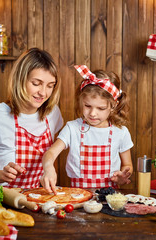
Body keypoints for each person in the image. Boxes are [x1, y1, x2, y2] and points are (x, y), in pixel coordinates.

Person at [0, 48, 64, 188]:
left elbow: (50, 155)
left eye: (50, 86)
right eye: (36, 83)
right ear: (20, 79)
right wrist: (1, 175)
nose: (43, 93)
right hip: (1, 203)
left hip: (35, 200)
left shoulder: (53, 113)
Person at [41, 65, 133, 194]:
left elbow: (127, 164)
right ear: (81, 101)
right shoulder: (72, 129)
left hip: (110, 200)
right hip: (78, 198)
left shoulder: (121, 132)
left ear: (113, 106)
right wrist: (48, 167)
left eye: (100, 108)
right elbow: (50, 153)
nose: (93, 113)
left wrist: (122, 177)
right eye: (88, 106)